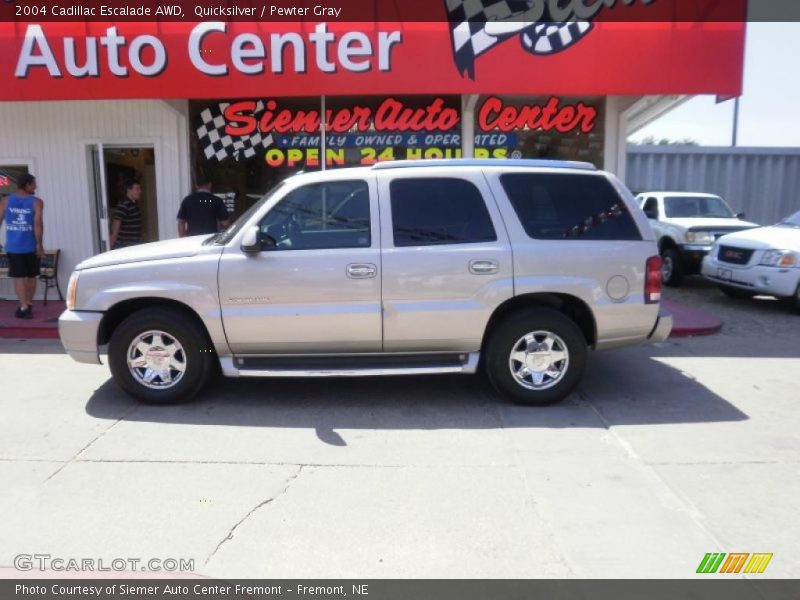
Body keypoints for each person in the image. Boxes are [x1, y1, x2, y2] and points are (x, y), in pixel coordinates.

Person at [0, 174, 44, 319]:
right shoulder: (37, 202)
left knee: (19, 277)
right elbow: (37, 224)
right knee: (31, 275)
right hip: (30, 246)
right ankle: (28, 304)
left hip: (13, 247)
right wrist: (39, 245)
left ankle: (24, 306)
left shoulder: (5, 201)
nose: (36, 186)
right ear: (27, 185)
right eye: (34, 184)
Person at [110, 179, 143, 250]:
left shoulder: (134, 205)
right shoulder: (123, 205)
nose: (140, 191)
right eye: (137, 189)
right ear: (129, 190)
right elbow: (115, 229)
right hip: (123, 247)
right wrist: (110, 248)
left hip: (133, 246)